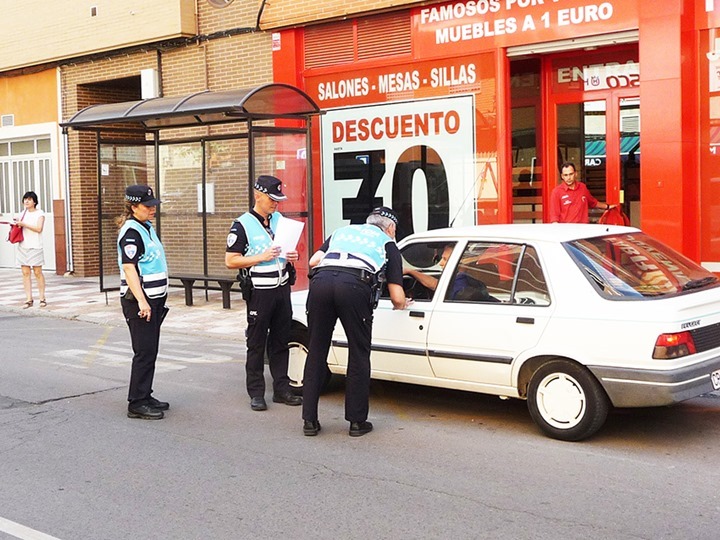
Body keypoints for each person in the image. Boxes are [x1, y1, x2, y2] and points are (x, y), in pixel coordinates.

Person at [302, 206, 411, 437]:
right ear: (390, 228)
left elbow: (314, 260)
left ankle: (309, 421)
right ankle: (356, 422)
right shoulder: (388, 243)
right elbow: (397, 298)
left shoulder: (342, 232)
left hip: (320, 283)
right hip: (354, 287)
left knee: (316, 351)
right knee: (358, 353)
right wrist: (403, 304)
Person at [225, 175, 302, 411]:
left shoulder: (279, 219)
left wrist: (292, 256)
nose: (276, 204)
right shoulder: (242, 224)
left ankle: (282, 389)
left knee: (281, 340)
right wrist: (262, 257)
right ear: (258, 196)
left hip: (282, 288)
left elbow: (287, 248)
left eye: (278, 199)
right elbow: (231, 260)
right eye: (272, 199)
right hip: (260, 291)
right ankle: (256, 392)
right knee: (257, 342)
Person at [117, 185, 170, 420]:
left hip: (154, 300)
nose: (152, 209)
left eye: (153, 205)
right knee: (144, 351)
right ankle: (136, 402)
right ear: (133, 206)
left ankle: (145, 394)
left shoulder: (145, 227)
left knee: (151, 349)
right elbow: (129, 268)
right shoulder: (131, 232)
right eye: (147, 206)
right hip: (141, 302)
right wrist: (142, 301)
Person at [14, 191, 47, 309]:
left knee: (37, 272)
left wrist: (24, 224)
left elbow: (39, 229)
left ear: (34, 201)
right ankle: (29, 299)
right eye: (25, 199)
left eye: (29, 199)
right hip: (23, 246)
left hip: (35, 246)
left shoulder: (40, 214)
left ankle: (42, 298)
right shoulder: (23, 213)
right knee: (25, 273)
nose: (26, 201)